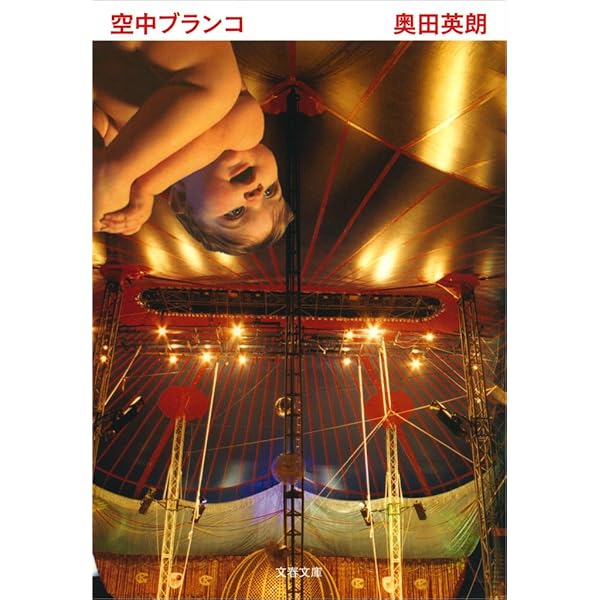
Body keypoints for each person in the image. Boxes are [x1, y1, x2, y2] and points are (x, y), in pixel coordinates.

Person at [93, 41, 293, 254]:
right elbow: (216, 135)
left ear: (181, 199)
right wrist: (142, 186)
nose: (256, 195)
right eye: (271, 191)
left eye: (235, 213)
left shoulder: (127, 147)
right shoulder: (249, 131)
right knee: (219, 88)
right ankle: (112, 171)